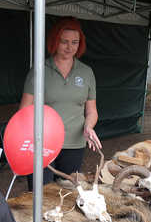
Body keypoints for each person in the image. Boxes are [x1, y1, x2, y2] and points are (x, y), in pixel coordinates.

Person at [19, 17, 102, 190]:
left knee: (67, 193)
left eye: (74, 42)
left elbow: (92, 111)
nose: (69, 47)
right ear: (55, 41)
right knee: (40, 193)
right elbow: (25, 110)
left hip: (74, 143)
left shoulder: (87, 72)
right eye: (64, 42)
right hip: (43, 143)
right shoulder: (39, 70)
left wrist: (89, 126)